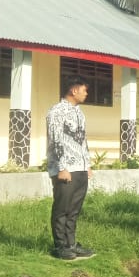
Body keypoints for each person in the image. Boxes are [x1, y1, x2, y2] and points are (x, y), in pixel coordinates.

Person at [46, 76, 94, 260]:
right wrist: (62, 167)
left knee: (74, 209)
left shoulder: (79, 113)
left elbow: (83, 141)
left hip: (80, 168)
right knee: (62, 208)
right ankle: (60, 246)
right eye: (84, 90)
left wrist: (87, 165)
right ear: (74, 90)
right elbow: (56, 140)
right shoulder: (57, 112)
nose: (86, 93)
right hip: (65, 169)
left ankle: (71, 244)